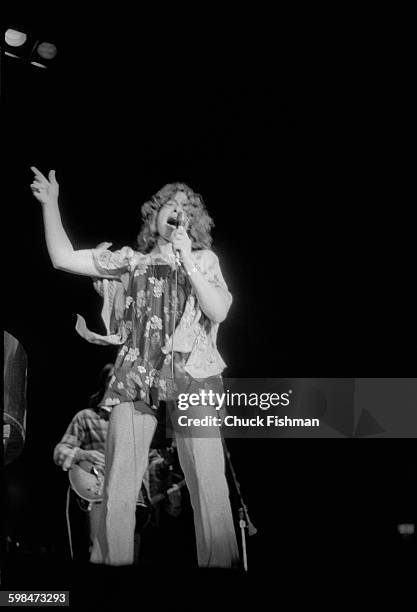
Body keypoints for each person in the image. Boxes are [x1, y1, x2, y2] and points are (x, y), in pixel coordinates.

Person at [30, 167, 239, 567]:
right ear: (154, 216)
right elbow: (61, 258)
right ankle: (112, 562)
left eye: (183, 208)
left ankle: (218, 565)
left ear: (191, 222)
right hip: (137, 368)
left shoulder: (204, 260)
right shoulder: (131, 261)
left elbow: (218, 310)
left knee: (208, 481)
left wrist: (188, 262)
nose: (175, 212)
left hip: (192, 371)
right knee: (121, 481)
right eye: (167, 206)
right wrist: (51, 205)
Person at [54, 363, 183, 560]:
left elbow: (153, 467)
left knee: (128, 554)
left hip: (134, 505)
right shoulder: (86, 418)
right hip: (99, 498)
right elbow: (60, 452)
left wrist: (165, 464)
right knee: (102, 552)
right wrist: (83, 455)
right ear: (106, 385)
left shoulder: (139, 423)